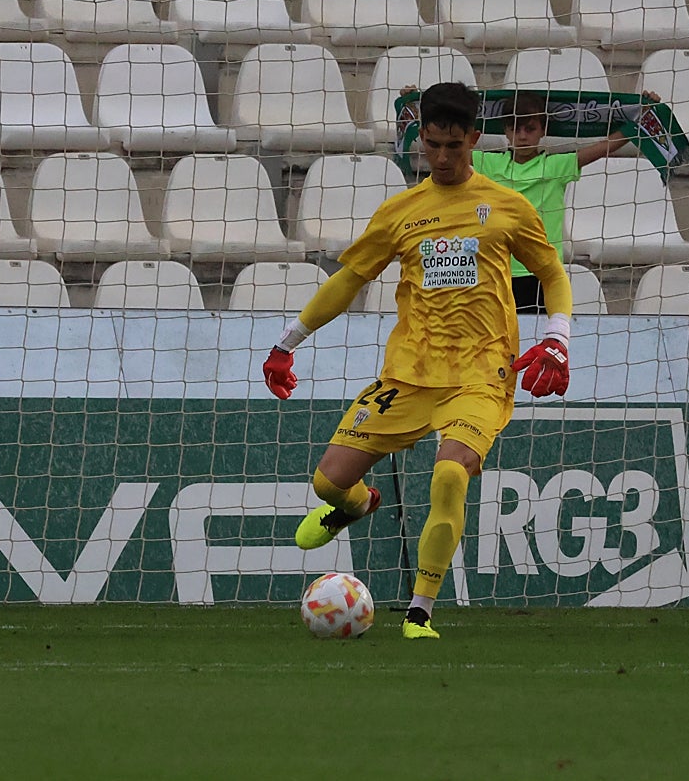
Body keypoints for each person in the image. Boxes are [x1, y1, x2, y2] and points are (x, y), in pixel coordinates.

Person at [262, 82, 573, 640]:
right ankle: (357, 507)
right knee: (329, 484)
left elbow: (551, 272)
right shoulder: (400, 212)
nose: (444, 157)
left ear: (475, 139)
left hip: (481, 373)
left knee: (451, 472)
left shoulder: (507, 206)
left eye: (455, 145)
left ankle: (419, 611)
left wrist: (557, 336)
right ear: (422, 141)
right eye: (433, 145)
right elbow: (351, 279)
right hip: (408, 374)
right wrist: (289, 341)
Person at [473, 89, 661, 312]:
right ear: (506, 131)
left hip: (542, 272)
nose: (522, 136)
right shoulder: (489, 164)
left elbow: (604, 147)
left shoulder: (557, 166)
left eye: (530, 129)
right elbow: (444, 147)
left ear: (543, 130)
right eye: (515, 128)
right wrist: (418, 113)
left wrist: (645, 115)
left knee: (539, 340)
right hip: (498, 270)